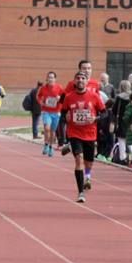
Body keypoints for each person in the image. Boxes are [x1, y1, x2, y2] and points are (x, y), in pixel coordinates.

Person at [62, 71, 106, 203]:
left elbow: (104, 114)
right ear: (75, 81)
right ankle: (81, 192)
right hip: (74, 133)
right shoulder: (69, 97)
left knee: (89, 162)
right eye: (78, 78)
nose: (80, 80)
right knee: (79, 160)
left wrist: (95, 118)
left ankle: (88, 176)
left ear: (87, 81)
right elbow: (63, 112)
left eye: (83, 78)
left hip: (90, 134)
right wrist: (66, 117)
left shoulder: (94, 96)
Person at [37, 71, 64, 157]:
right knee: (47, 128)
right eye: (49, 77)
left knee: (53, 131)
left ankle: (50, 146)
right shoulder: (43, 88)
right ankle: (45, 144)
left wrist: (60, 98)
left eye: (52, 77)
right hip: (46, 111)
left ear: (55, 79)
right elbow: (38, 96)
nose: (50, 79)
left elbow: (65, 97)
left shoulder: (59, 88)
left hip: (56, 112)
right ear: (47, 79)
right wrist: (41, 102)